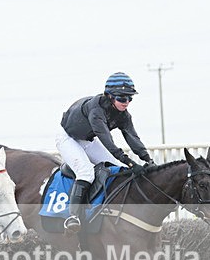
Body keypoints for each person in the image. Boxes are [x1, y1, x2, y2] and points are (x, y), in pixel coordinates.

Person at [56, 72, 156, 233]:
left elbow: (132, 137)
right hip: (68, 139)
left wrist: (148, 159)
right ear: (109, 96)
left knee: (116, 167)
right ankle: (72, 216)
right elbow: (107, 141)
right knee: (86, 172)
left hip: (88, 140)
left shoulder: (124, 115)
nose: (127, 102)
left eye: (130, 98)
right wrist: (131, 162)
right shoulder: (96, 111)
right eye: (122, 99)